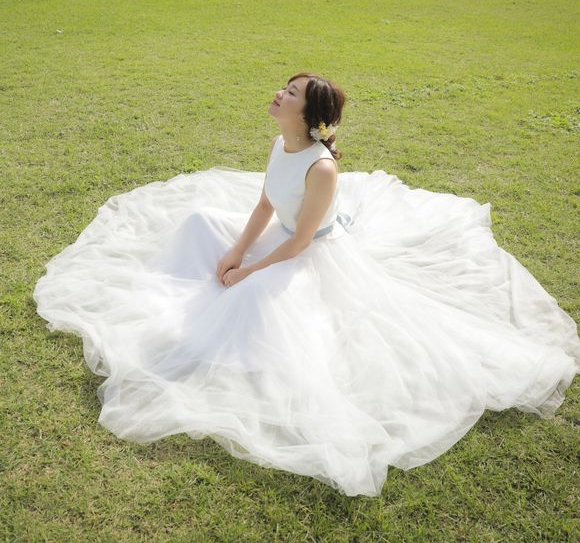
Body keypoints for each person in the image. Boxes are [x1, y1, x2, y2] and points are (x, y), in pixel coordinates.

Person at [33, 71, 580, 497]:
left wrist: (248, 271)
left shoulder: (322, 168)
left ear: (310, 115)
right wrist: (236, 249)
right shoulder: (280, 144)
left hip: (312, 253)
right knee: (201, 221)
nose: (279, 93)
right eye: (284, 87)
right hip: (282, 236)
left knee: (252, 295)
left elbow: (299, 243)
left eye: (290, 93)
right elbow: (265, 204)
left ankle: (229, 345)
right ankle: (183, 294)